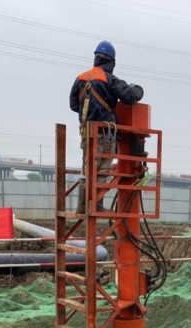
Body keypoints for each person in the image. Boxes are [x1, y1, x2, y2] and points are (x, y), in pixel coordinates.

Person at [70, 40, 145, 215]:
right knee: (102, 169)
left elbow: (74, 105)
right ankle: (95, 204)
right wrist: (138, 90)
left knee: (87, 169)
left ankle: (82, 205)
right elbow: (129, 98)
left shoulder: (80, 78)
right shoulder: (109, 79)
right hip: (105, 133)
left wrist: (89, 111)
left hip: (86, 132)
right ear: (111, 62)